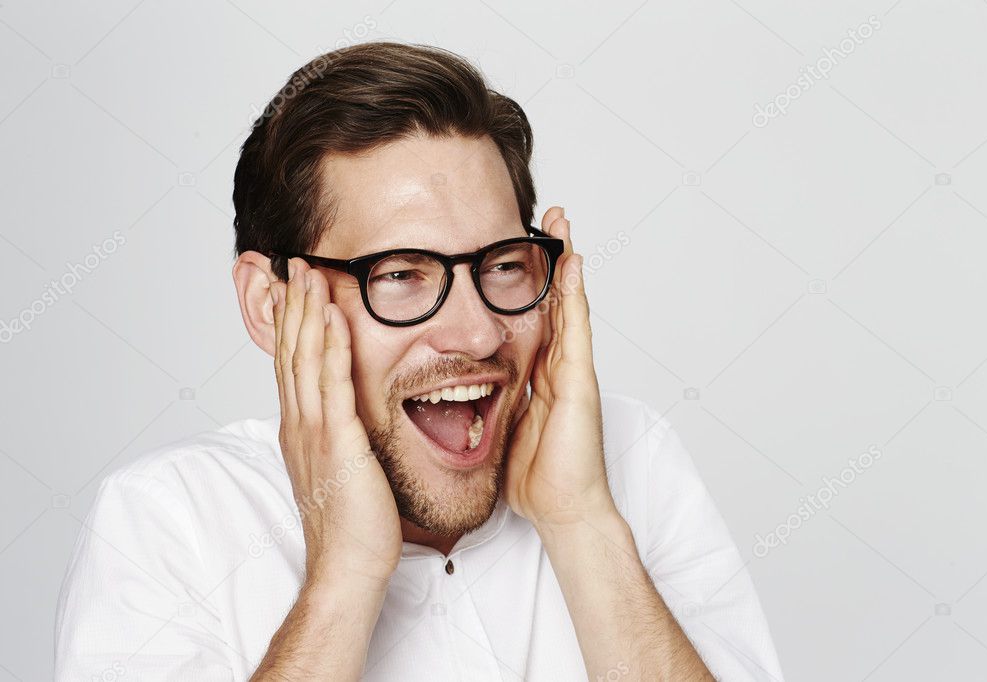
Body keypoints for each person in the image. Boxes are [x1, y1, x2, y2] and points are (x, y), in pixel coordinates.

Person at [55, 41, 784, 681]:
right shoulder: (169, 517)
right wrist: (343, 576)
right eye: (399, 274)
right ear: (272, 307)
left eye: (502, 264)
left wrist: (582, 524)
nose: (476, 334)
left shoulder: (631, 459)